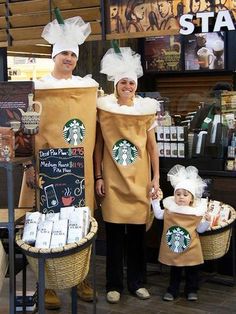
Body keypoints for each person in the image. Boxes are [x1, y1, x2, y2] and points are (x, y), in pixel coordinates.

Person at [19, 16, 98, 309]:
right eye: (64, 53)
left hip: (78, 168)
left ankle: (80, 278)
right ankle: (46, 283)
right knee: (46, 225)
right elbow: (26, 133)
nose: (69, 58)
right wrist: (29, 166)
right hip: (46, 169)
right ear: (54, 56)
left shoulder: (87, 88)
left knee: (80, 221)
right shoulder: (37, 89)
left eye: (73, 54)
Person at [94, 47, 160, 304]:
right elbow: (98, 146)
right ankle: (113, 285)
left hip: (139, 180)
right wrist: (98, 176)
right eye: (123, 82)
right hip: (112, 180)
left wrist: (155, 179)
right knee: (113, 236)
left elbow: (152, 148)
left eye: (131, 82)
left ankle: (136, 282)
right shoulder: (105, 110)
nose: (128, 86)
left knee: (136, 236)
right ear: (116, 84)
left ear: (136, 85)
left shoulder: (146, 110)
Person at [152, 164, 211, 301]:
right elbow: (159, 215)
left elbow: (200, 229)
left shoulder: (195, 212)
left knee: (192, 270)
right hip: (176, 249)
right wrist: (155, 202)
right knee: (175, 269)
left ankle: (191, 289)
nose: (181, 197)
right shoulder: (170, 209)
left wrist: (207, 221)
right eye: (178, 194)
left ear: (192, 198)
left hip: (191, 247)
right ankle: (172, 290)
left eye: (185, 195)